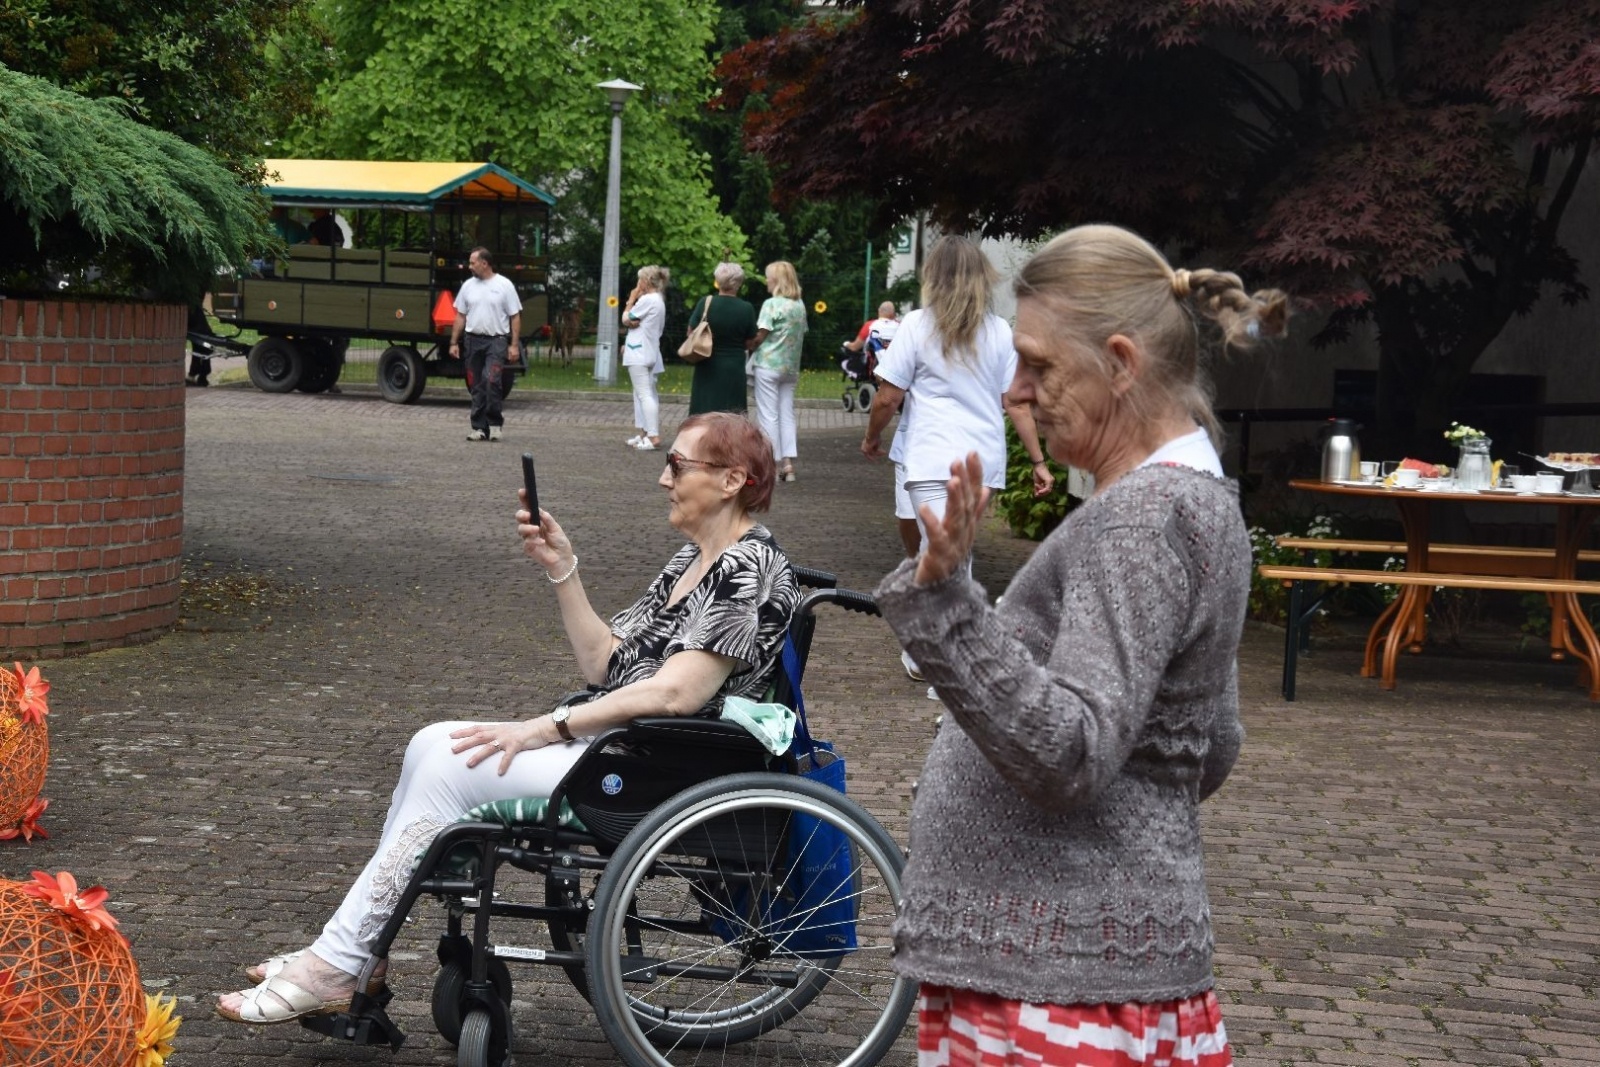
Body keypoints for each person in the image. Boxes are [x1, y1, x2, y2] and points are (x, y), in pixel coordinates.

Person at [216, 411, 802, 1025]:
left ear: (732, 480)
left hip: (656, 770)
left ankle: (342, 961)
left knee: (450, 766)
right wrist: (563, 569)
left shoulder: (748, 567)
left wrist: (542, 728)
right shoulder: (693, 563)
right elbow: (607, 664)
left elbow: (676, 695)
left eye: (677, 465)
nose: (663, 479)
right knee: (431, 743)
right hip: (622, 752)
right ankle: (357, 953)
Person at [872, 223, 1288, 1067]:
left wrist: (948, 610)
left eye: (1038, 364)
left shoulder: (1137, 520)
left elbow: (1072, 752)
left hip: (1057, 988)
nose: (1014, 391)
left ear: (1122, 364)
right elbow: (1210, 744)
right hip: (1088, 971)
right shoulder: (1197, 502)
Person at [861, 236, 1051, 682]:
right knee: (953, 556)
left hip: (930, 457)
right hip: (982, 459)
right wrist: (1038, 460)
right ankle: (946, 649)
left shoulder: (916, 325)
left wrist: (873, 437)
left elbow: (888, 396)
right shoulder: (999, 332)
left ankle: (932, 652)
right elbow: (1017, 402)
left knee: (943, 556)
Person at [450, 247, 522, 442]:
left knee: (492, 380)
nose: (469, 266)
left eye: (473, 263)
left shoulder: (504, 285)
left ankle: (495, 423)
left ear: (484, 263)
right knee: (476, 384)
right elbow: (460, 315)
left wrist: (513, 345)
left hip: (496, 341)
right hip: (472, 340)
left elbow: (515, 315)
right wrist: (453, 342)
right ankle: (478, 427)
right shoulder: (467, 286)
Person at [749, 261, 808, 482]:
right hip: (790, 367)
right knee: (786, 414)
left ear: (777, 280)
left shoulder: (771, 304)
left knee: (768, 415)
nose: (766, 280)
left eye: (768, 276)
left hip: (768, 365)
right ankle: (788, 465)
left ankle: (770, 466)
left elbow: (760, 335)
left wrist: (749, 344)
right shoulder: (799, 305)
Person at [687, 262, 757, 416]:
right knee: (732, 409)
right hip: (734, 367)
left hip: (706, 362)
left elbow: (691, 332)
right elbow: (750, 342)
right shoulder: (747, 308)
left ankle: (702, 438)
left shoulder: (705, 303)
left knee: (704, 407)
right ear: (739, 283)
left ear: (718, 281)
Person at [622, 265, 669, 450]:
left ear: (646, 281)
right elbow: (634, 322)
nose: (637, 283)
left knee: (644, 394)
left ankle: (653, 436)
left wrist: (631, 299)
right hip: (647, 351)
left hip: (639, 353)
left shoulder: (648, 299)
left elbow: (627, 318)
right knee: (642, 393)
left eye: (640, 279)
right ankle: (644, 432)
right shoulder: (657, 299)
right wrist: (633, 321)